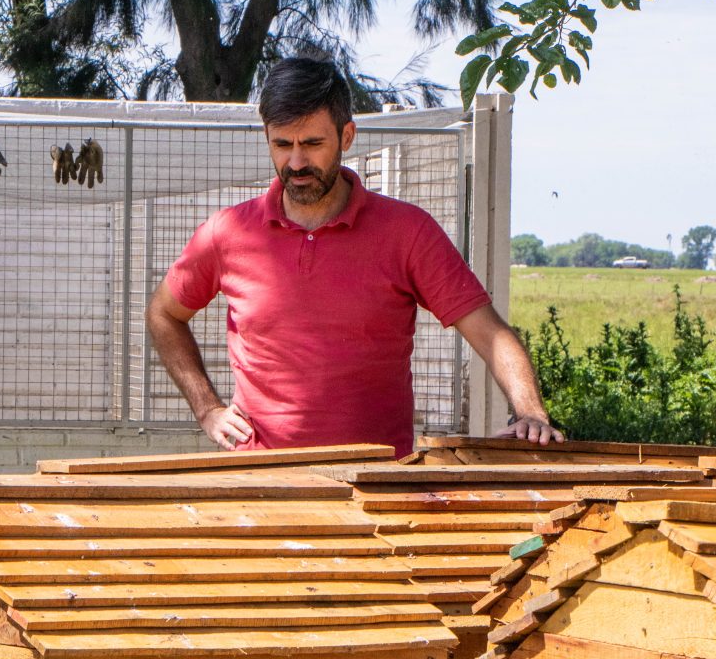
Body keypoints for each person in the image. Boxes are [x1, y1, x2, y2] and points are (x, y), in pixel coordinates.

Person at [146, 56, 563, 457]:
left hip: (376, 480)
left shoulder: (407, 231)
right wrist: (207, 408)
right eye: (282, 144)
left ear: (347, 136)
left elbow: (489, 332)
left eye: (312, 143)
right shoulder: (228, 232)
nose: (296, 161)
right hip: (260, 474)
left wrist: (530, 412)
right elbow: (164, 314)